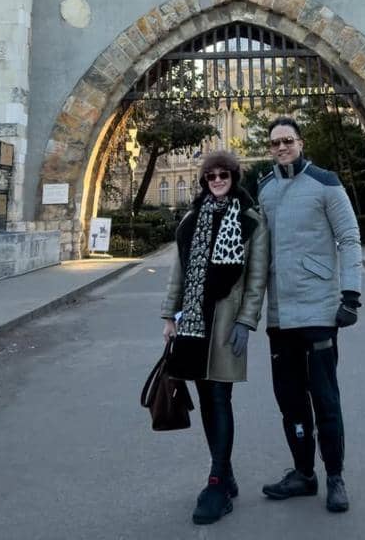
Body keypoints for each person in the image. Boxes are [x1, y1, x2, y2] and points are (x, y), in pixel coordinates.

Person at [257, 115, 362, 514]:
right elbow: (259, 254)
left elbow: (349, 237)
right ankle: (304, 473)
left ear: (300, 142)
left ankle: (334, 475)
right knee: (289, 400)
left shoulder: (325, 182)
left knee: (325, 399)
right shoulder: (265, 189)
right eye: (275, 143)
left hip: (318, 309)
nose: (281, 148)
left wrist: (350, 295)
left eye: (287, 141)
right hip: (280, 314)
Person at [160, 149, 269, 525]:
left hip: (225, 321)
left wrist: (246, 321)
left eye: (224, 175)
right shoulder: (192, 220)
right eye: (211, 176)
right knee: (207, 397)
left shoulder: (251, 220)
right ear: (204, 180)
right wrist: (167, 316)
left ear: (234, 178)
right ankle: (226, 472)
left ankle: (218, 482)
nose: (218, 181)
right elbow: (179, 271)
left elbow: (256, 278)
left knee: (220, 395)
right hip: (192, 321)